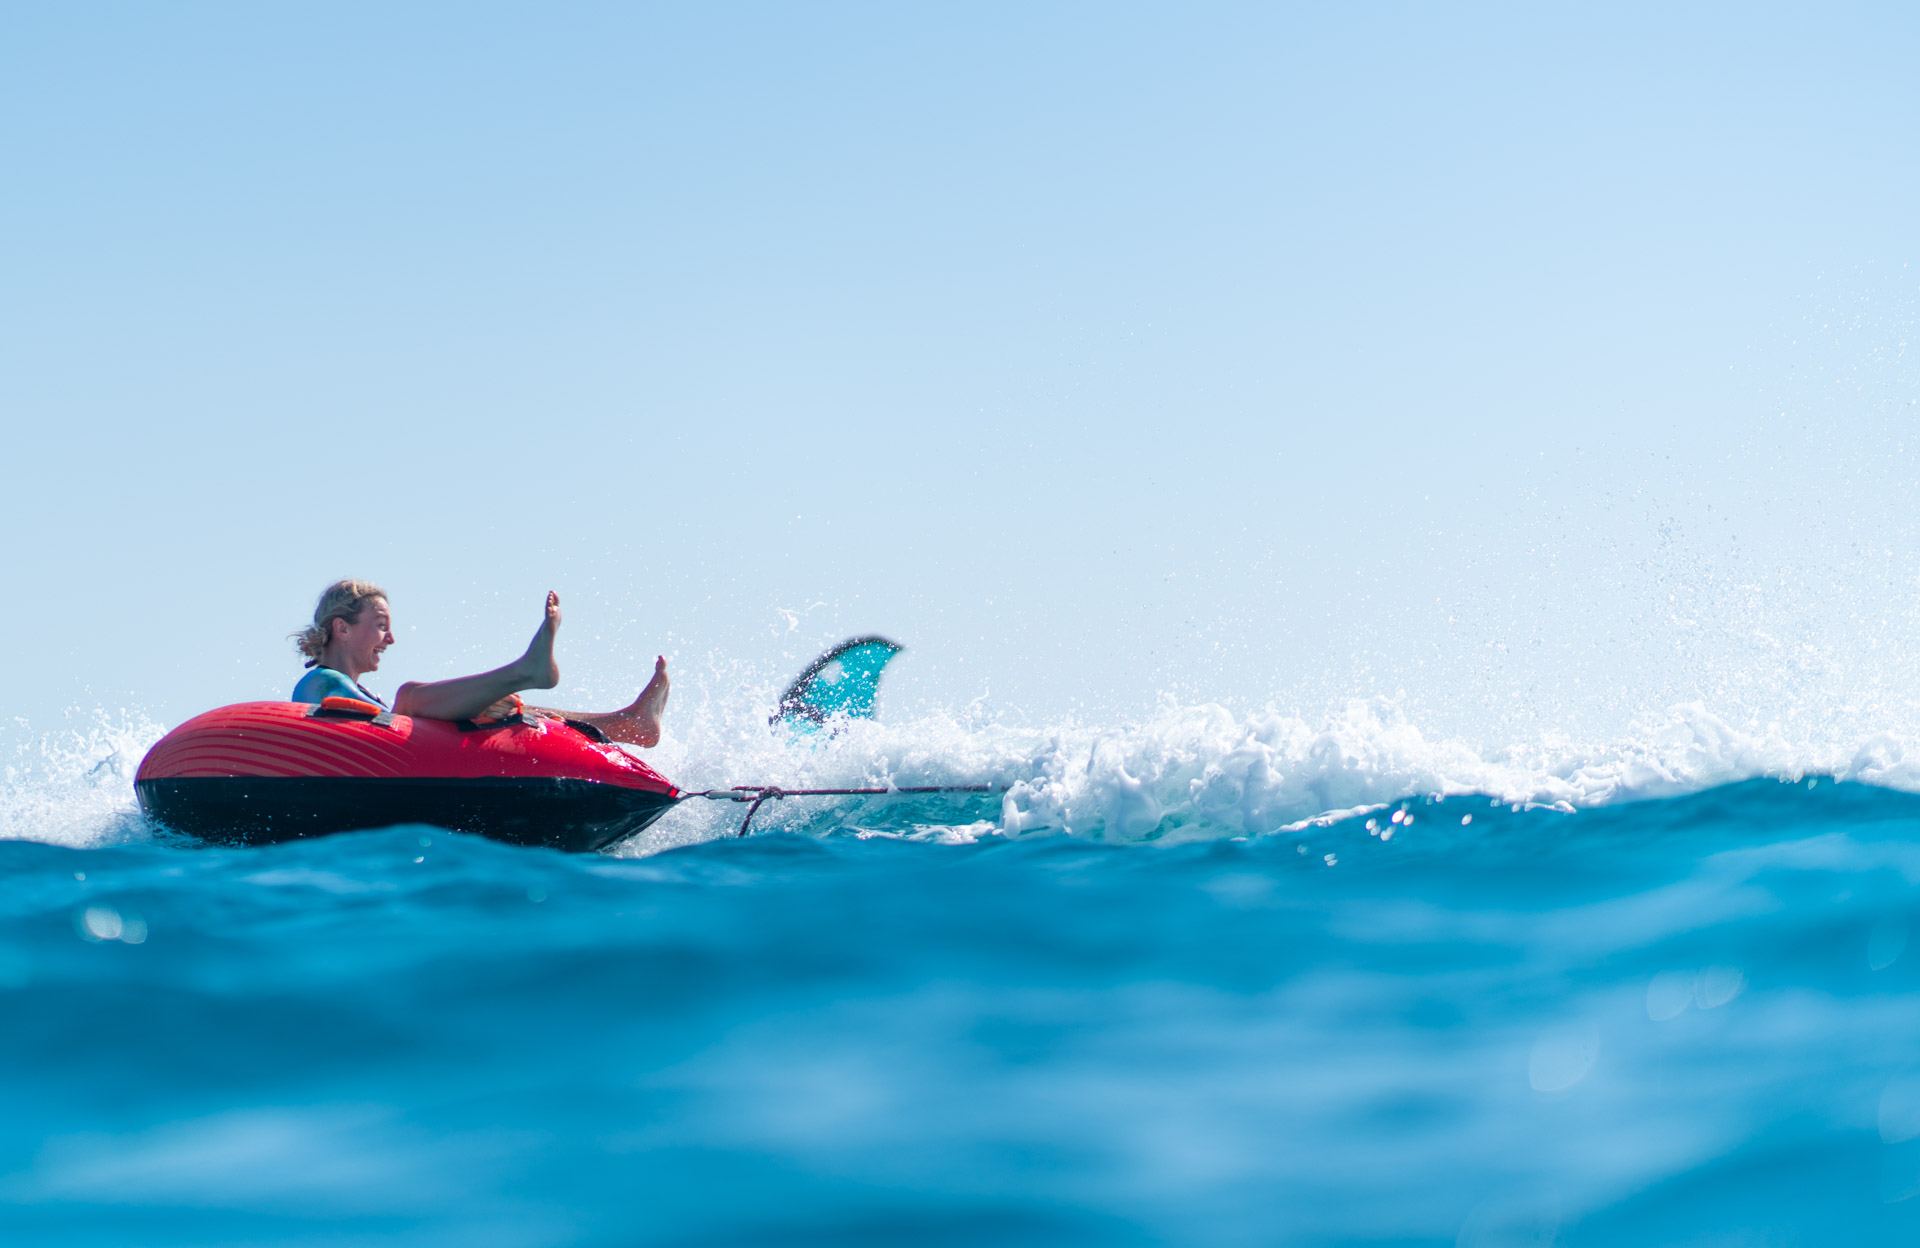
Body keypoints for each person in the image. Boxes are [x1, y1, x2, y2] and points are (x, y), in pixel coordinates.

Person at [289, 580, 671, 747]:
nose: (390, 639)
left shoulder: (347, 687)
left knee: (502, 709)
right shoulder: (319, 683)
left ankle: (626, 726)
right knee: (408, 699)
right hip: (379, 762)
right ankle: (525, 670)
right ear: (341, 628)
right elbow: (373, 733)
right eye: (381, 627)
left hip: (408, 759)